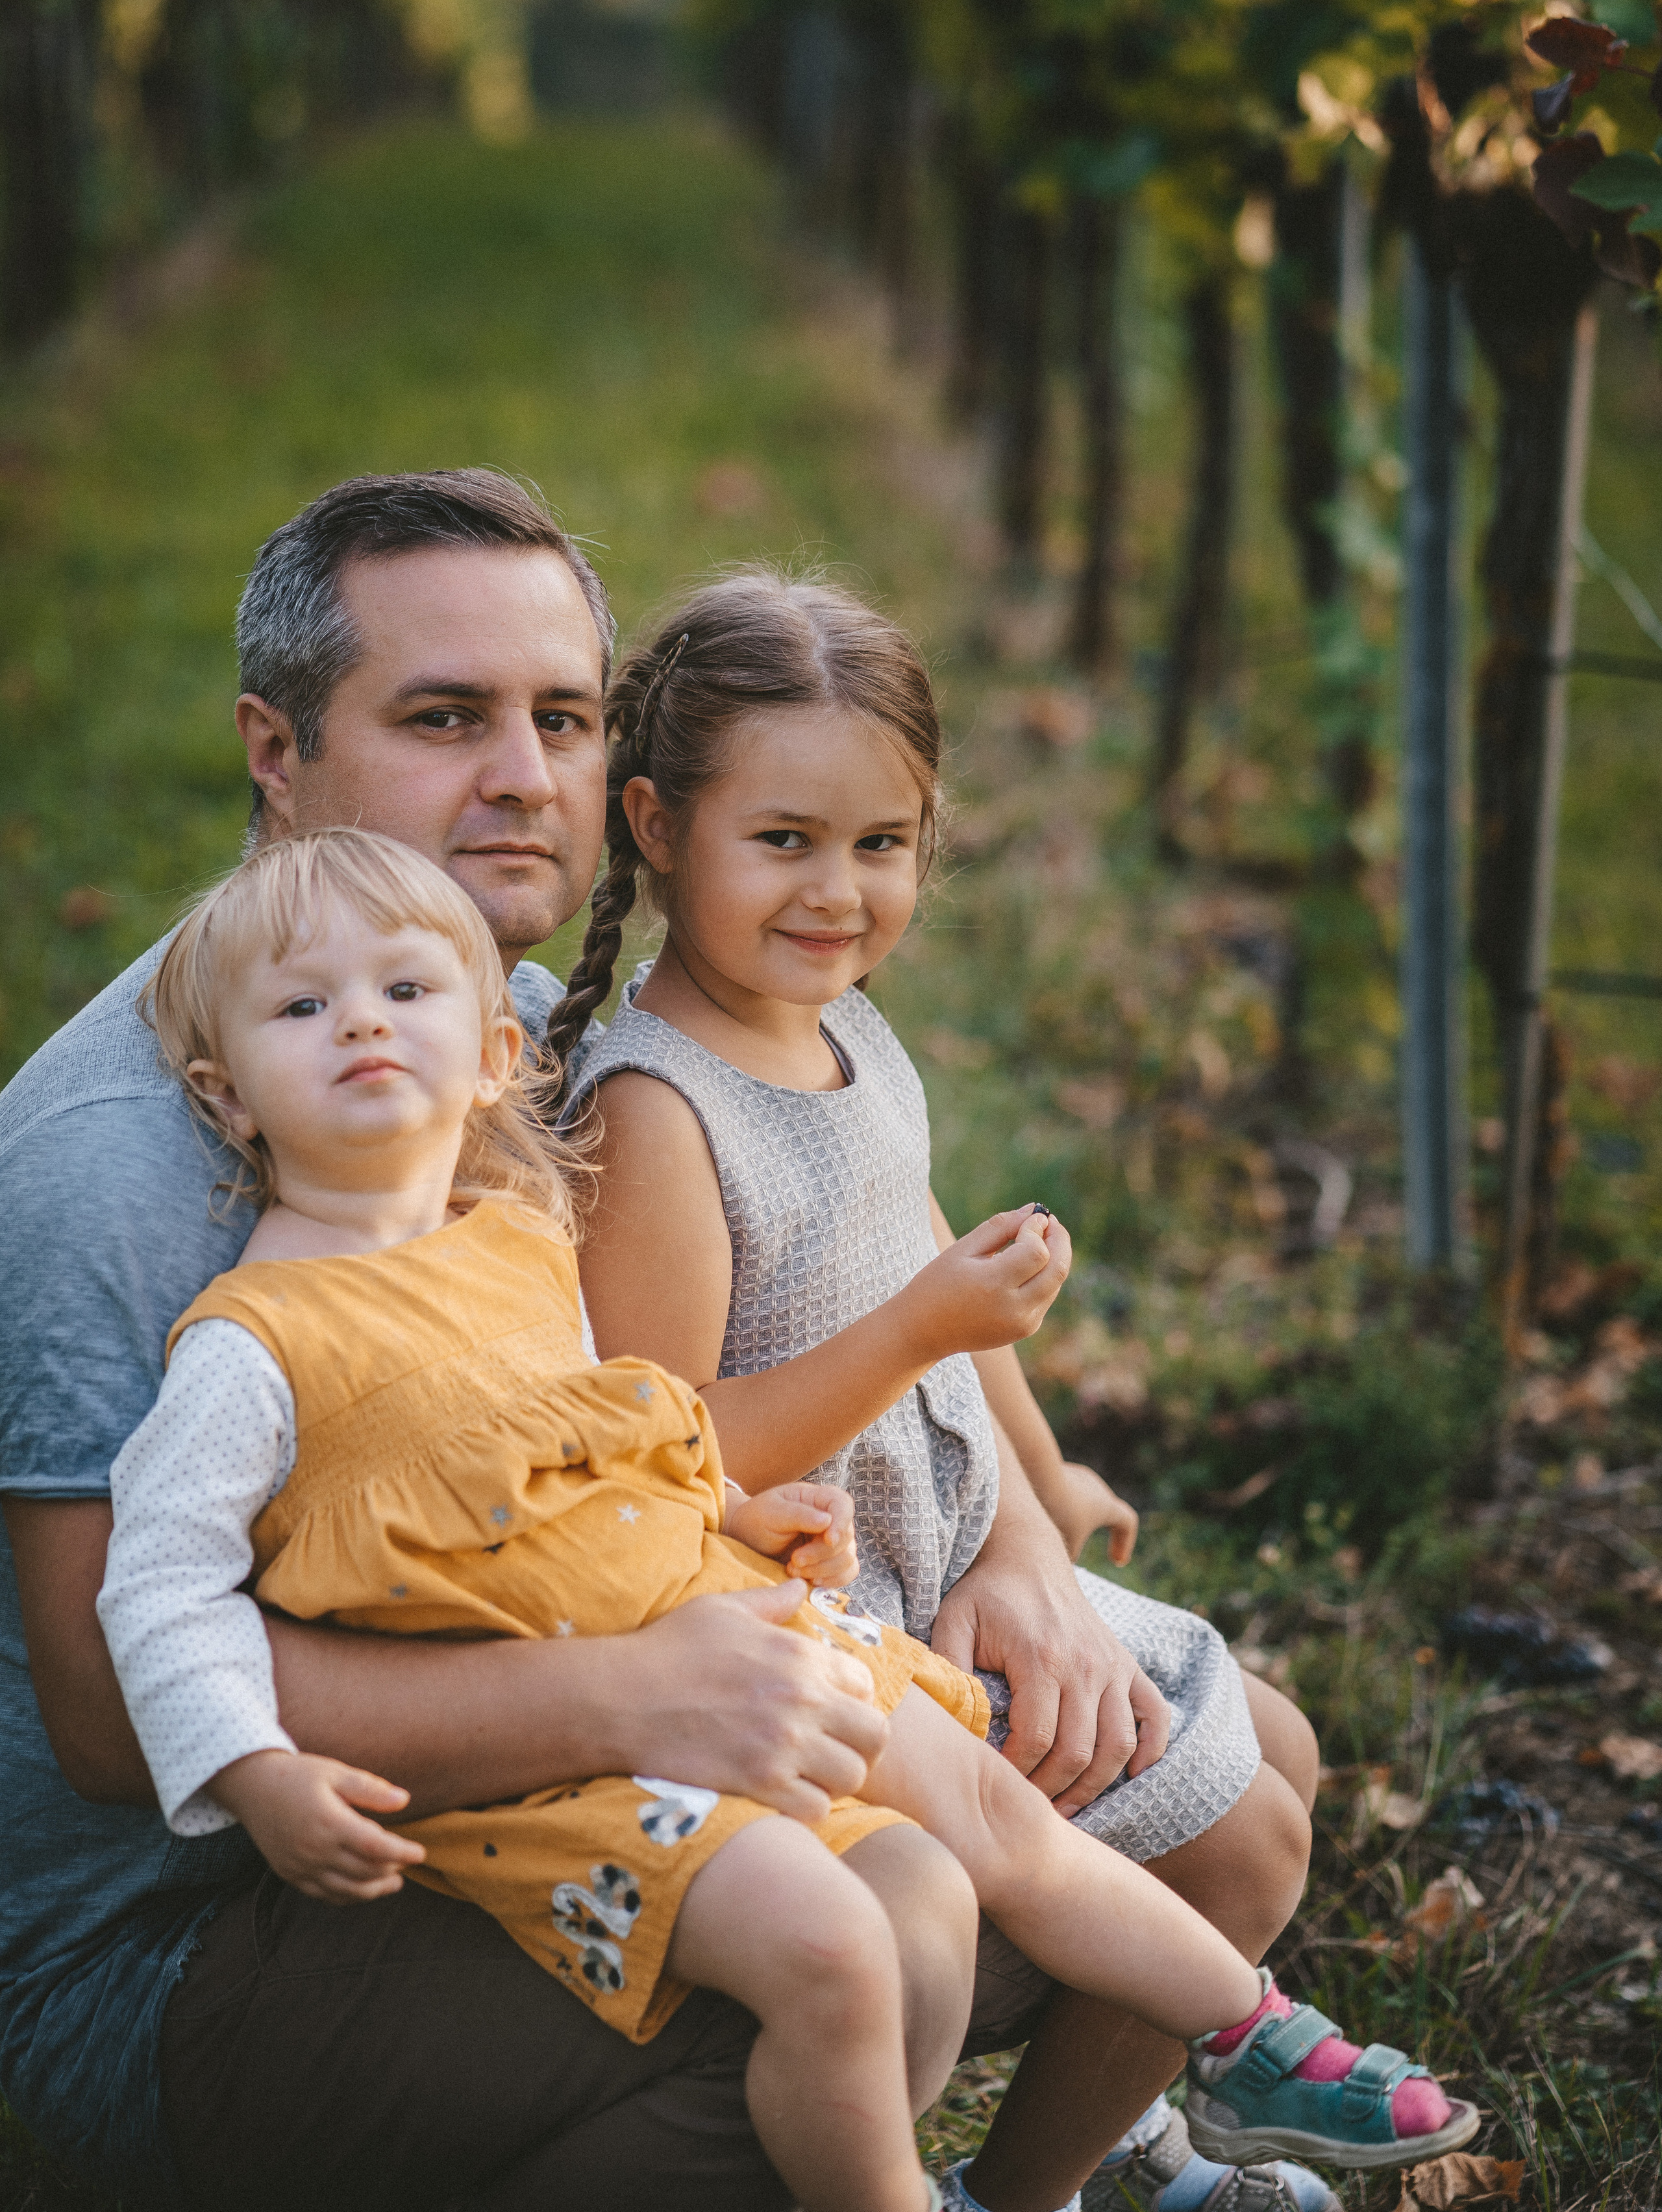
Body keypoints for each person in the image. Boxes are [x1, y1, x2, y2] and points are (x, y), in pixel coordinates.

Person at [0, 469, 1335, 2212]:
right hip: (201, 1947)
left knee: (1236, 1765)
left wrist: (1016, 1540)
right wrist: (632, 1691)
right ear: (276, 748)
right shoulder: (120, 1163)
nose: (522, 776)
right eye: (444, 718)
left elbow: (691, 1364)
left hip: (531, 1733)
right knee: (905, 1919)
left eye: (562, 718)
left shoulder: (486, 1019)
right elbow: (110, 1719)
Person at [99, 827, 1475, 2212]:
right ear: (228, 1095)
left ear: (496, 1055)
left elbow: (606, 1450)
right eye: (303, 1007)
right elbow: (158, 1591)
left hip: (730, 1628)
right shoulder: (252, 1346)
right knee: (833, 1944)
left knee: (991, 1808)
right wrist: (251, 1770)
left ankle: (1247, 2035)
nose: (360, 1024)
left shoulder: (515, 1242)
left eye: (405, 992)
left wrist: (735, 1511)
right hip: (568, 1768)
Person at [558, 572, 1346, 2212]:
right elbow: (672, 1460)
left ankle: (1109, 2119)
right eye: (783, 839)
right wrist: (919, 1329)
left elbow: (929, 1265)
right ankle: (1028, 2187)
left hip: (944, 1569)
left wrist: (1040, 1493)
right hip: (826, 1639)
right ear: (655, 825)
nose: (837, 892)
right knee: (1243, 1836)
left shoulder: (839, 1027)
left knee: (1278, 1745)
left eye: (881, 844)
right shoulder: (657, 1113)